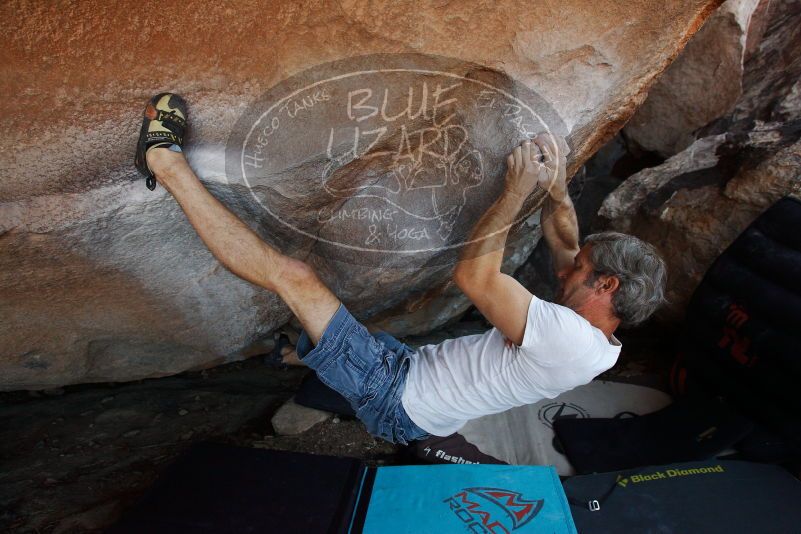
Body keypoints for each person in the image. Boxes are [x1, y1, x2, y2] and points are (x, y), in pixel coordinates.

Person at [135, 93, 667, 444]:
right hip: (416, 382)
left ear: (608, 285)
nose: (568, 271)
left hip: (394, 397)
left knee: (295, 278)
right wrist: (555, 186)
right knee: (367, 336)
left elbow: (474, 278)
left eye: (583, 270)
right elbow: (567, 240)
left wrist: (516, 190)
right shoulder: (599, 338)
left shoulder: (567, 340)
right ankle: (298, 355)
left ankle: (165, 163)